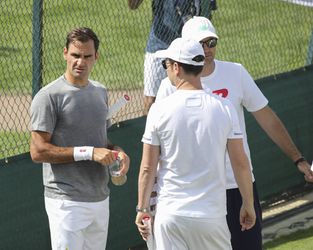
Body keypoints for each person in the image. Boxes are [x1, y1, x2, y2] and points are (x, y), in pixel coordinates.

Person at [155, 16, 313, 250]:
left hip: (240, 188)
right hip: (197, 196)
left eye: (212, 42)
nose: (207, 49)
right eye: (201, 43)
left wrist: (297, 159)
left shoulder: (236, 73)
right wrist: (149, 202)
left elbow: (267, 118)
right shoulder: (169, 85)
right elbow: (157, 144)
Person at [135, 37, 256, 249]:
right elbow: (240, 163)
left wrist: (142, 209)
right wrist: (248, 203)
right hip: (211, 217)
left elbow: (147, 167)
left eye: (167, 65)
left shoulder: (158, 110)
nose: (166, 70)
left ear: (176, 67)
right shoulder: (225, 108)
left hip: (171, 217)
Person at [30, 27, 130, 250]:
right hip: (66, 201)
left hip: (100, 198)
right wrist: (90, 153)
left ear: (96, 57)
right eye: (75, 55)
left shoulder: (100, 92)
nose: (80, 62)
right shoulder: (48, 97)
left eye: (87, 56)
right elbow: (38, 151)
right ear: (65, 53)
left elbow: (101, 141)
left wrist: (118, 152)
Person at [128, 0, 202, 114]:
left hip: (190, 46)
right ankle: (149, 130)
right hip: (158, 45)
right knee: (151, 102)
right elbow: (133, 5)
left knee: (191, 94)